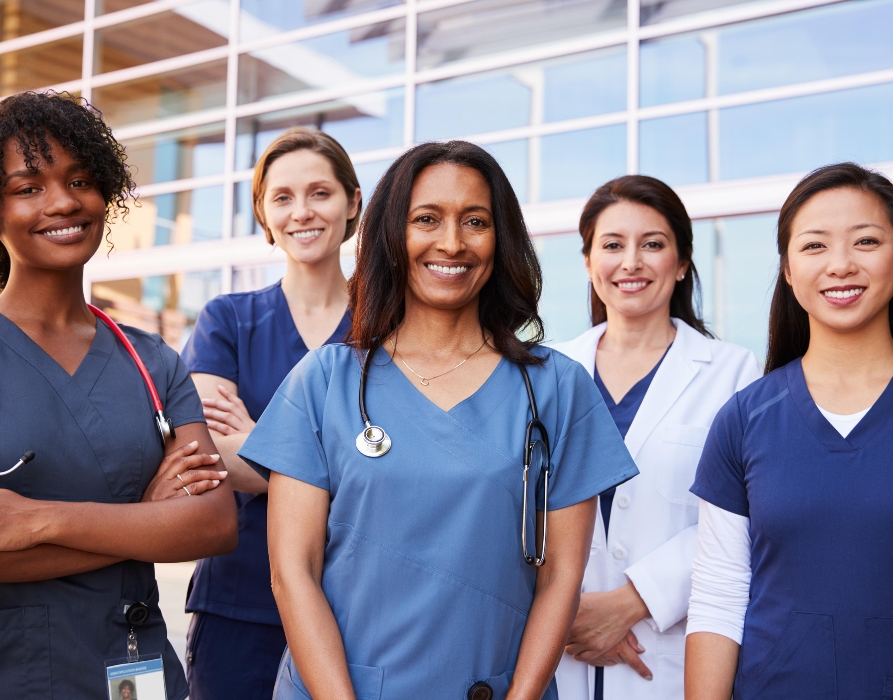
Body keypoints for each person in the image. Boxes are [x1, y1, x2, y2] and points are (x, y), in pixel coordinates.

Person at [237, 140, 640, 700]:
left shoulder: (555, 387)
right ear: (391, 236)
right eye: (426, 219)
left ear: (501, 239)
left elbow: (560, 578)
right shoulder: (325, 382)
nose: (452, 242)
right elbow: (293, 573)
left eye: (475, 221)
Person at [0, 92, 237, 700]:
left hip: (139, 670)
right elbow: (176, 528)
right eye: (28, 187)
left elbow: (212, 524)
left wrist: (37, 519)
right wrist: (147, 519)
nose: (62, 202)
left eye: (79, 179)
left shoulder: (151, 359)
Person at [685, 163, 893, 700]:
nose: (841, 265)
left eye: (866, 241)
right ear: (787, 268)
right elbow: (719, 597)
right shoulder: (745, 418)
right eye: (815, 246)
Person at [553, 176, 760, 700]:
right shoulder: (544, 372)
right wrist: (570, 615)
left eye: (653, 244)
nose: (631, 262)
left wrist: (631, 601)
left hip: (666, 658)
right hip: (557, 652)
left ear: (683, 261)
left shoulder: (733, 372)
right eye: (613, 245)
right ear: (587, 261)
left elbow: (744, 518)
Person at [181, 127, 360, 699]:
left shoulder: (390, 331)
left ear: (353, 203)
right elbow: (205, 456)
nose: (301, 212)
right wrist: (336, 461)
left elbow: (404, 469)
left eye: (320, 193)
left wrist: (260, 443)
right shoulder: (226, 321)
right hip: (240, 605)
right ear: (262, 211)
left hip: (359, 606)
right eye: (281, 197)